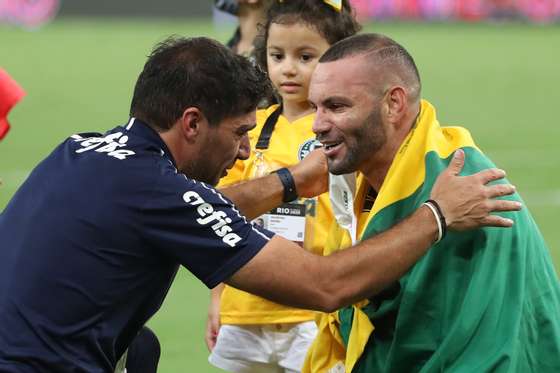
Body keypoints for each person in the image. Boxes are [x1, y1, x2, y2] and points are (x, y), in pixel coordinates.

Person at [0, 36, 520, 372]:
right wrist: (436, 215)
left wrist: (291, 181)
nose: (247, 151)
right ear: (192, 123)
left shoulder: (84, 150)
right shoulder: (159, 193)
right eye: (241, 133)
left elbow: (198, 210)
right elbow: (324, 286)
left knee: (142, 350)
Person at [303, 33, 560, 373]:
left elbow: (491, 352)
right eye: (315, 107)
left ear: (394, 104)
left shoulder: (468, 192)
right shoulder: (355, 182)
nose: (317, 125)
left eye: (336, 107)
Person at [206, 1, 361, 372]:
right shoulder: (249, 128)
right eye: (277, 56)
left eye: (306, 57)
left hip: (314, 313)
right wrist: (217, 297)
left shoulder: (345, 131)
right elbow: (219, 216)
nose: (288, 68)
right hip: (245, 311)